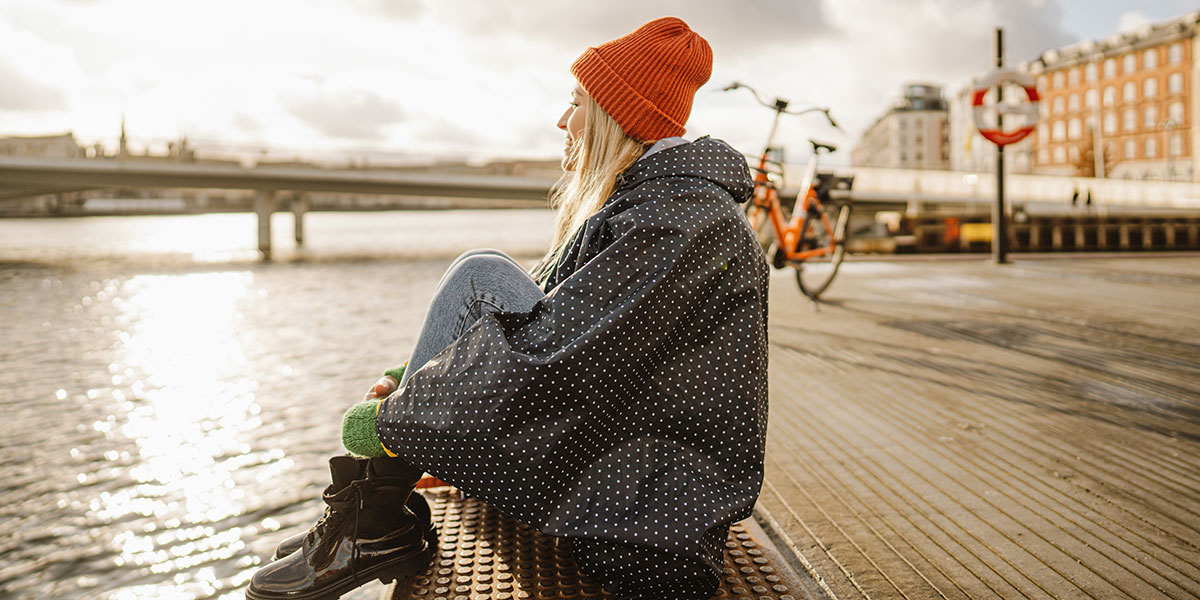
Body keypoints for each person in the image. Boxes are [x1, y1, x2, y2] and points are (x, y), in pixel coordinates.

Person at [246, 16, 769, 600]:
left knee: (481, 276)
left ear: (615, 116)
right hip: (636, 486)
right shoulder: (665, 205)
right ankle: (373, 515)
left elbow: (551, 355)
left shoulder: (675, 220)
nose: (562, 120)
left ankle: (372, 521)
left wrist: (394, 420)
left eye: (576, 103)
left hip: (647, 526)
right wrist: (409, 382)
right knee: (486, 277)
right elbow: (561, 316)